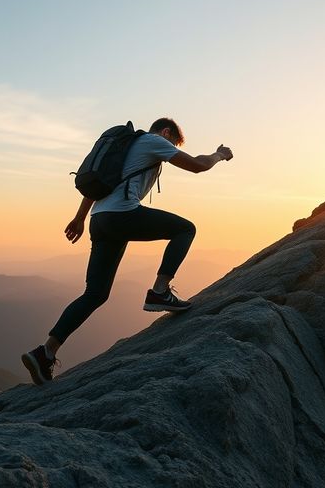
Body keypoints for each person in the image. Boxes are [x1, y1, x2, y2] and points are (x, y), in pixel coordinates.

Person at [22, 117, 234, 385]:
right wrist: (219, 154)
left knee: (95, 294)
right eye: (173, 143)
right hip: (122, 215)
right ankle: (160, 292)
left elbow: (100, 185)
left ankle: (45, 352)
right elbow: (197, 166)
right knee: (185, 229)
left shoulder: (127, 148)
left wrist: (79, 219)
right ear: (166, 132)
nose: (171, 150)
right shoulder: (154, 141)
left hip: (100, 221)